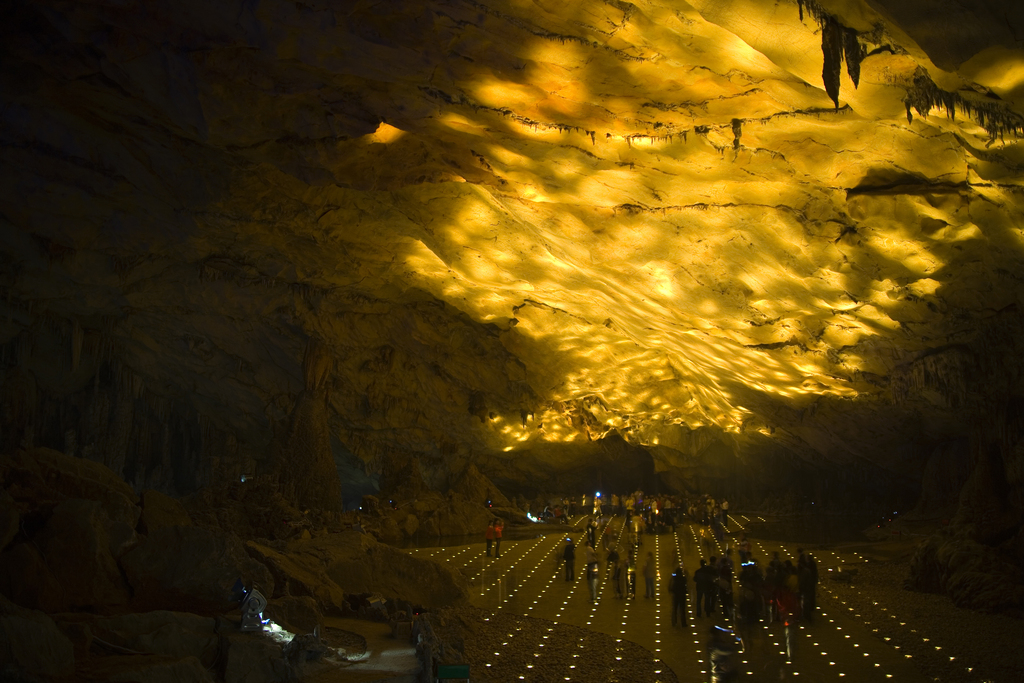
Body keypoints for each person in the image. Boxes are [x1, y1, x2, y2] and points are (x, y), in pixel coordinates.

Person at [669, 562, 688, 627]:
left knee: (675, 609)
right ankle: (683, 623)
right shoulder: (683, 578)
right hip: (682, 595)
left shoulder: (674, 578)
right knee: (682, 609)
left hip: (675, 595)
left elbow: (670, 584)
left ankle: (674, 622)